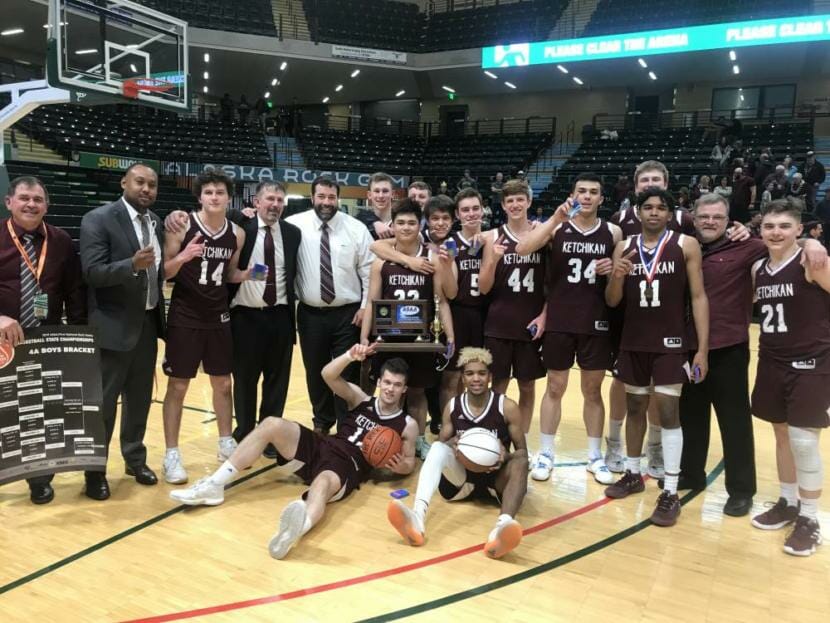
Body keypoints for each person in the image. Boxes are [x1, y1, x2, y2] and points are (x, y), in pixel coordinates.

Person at [171, 343, 418, 559]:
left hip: (349, 465)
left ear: (404, 389)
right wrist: (350, 356)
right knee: (271, 424)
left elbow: (409, 463)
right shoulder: (361, 399)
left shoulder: (407, 424)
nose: (390, 389)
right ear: (379, 382)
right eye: (387, 382)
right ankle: (215, 485)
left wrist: (399, 467)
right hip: (324, 445)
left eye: (397, 385)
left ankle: (297, 530)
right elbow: (327, 375)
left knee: (321, 484)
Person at [604, 187, 709, 527]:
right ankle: (633, 474)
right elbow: (612, 300)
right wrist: (616, 275)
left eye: (660, 208)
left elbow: (698, 297)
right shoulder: (624, 247)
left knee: (667, 412)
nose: (653, 213)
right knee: (634, 408)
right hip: (633, 341)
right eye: (647, 207)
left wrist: (701, 350)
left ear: (669, 213)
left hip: (670, 342)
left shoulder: (684, 245)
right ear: (637, 212)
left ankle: (671, 491)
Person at [516, 173, 622, 484]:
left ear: (602, 199)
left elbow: (617, 279)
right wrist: (553, 219)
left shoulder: (613, 232)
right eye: (581, 191)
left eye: (593, 192)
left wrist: (611, 270)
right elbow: (523, 248)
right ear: (573, 195)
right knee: (555, 387)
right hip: (560, 319)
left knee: (592, 390)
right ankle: (547, 452)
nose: (587, 196)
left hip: (596, 319)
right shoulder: (558, 226)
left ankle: (594, 456)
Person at [387, 347, 528, 559]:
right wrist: (453, 442)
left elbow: (522, 452)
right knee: (436, 447)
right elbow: (442, 446)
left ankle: (501, 528)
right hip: (461, 481)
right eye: (470, 373)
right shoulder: (453, 406)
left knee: (522, 463)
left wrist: (504, 456)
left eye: (481, 373)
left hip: (495, 482)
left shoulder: (506, 407)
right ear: (463, 378)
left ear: (490, 376)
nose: (476, 379)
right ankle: (417, 518)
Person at [159, 171, 252, 484]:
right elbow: (165, 273)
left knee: (223, 384)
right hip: (185, 314)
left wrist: (247, 275)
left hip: (218, 315)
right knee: (179, 386)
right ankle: (171, 453)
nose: (214, 197)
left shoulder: (236, 234)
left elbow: (228, 274)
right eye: (209, 192)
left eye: (220, 192)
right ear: (200, 197)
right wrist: (184, 256)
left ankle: (226, 443)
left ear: (228, 197)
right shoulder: (182, 225)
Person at [749, 198, 830, 556]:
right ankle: (788, 501)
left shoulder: (812, 262)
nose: (776, 232)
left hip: (812, 362)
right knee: (781, 434)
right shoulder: (758, 270)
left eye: (784, 226)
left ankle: (810, 518)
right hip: (771, 360)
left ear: (799, 229)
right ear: (760, 230)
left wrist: (816, 245)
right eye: (769, 226)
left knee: (803, 440)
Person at [80, 163, 166, 499]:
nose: (146, 189)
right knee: (104, 405)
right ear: (124, 182)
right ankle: (94, 471)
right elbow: (92, 272)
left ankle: (134, 458)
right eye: (140, 182)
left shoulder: (155, 221)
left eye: (152, 185)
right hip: (112, 327)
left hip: (146, 325)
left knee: (140, 400)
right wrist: (130, 265)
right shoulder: (98, 219)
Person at [0, 176, 86, 504]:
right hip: (1, 339)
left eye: (37, 199)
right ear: (9, 202)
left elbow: (74, 291)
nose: (31, 204)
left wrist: (78, 337)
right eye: (24, 198)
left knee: (39, 413)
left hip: (42, 340)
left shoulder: (61, 240)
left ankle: (40, 479)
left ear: (46, 206)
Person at [607, 160, 695, 479]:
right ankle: (615, 443)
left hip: (667, 314)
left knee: (662, 391)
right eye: (644, 181)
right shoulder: (619, 221)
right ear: (635, 188)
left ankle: (657, 447)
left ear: (667, 185)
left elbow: (713, 243)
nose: (649, 184)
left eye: (655, 179)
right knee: (623, 385)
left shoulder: (685, 222)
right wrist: (611, 271)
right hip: (628, 317)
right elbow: (608, 262)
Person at [361, 198, 455, 459]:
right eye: (400, 222)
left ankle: (420, 440)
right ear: (393, 225)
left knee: (417, 391)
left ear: (419, 225)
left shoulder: (431, 259)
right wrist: (363, 338)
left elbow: (442, 301)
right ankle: (386, 438)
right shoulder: (382, 262)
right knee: (390, 392)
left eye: (411, 223)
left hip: (421, 338)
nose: (406, 228)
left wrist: (451, 336)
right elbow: (371, 302)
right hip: (389, 337)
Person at [286, 177, 373, 434]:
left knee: (347, 372)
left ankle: (348, 427)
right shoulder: (293, 226)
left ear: (338, 198)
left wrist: (366, 307)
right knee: (315, 372)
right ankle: (322, 423)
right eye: (321, 196)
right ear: (312, 197)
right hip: (310, 313)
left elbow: (368, 272)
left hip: (349, 313)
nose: (326, 202)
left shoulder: (356, 229)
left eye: (331, 197)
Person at [479, 179, 546, 455]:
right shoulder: (492, 237)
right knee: (499, 385)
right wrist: (493, 260)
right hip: (499, 322)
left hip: (530, 324)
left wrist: (545, 315)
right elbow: (483, 287)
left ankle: (523, 441)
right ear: (504, 205)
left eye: (520, 199)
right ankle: (497, 436)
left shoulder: (543, 234)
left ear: (529, 202)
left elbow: (552, 282)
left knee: (528, 385)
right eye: (510, 201)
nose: (515, 205)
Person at [439, 188, 487, 413]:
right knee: (453, 378)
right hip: (460, 314)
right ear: (458, 215)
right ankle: (449, 423)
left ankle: (477, 419)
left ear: (483, 210)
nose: (471, 214)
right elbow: (450, 293)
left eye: (475, 208)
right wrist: (448, 264)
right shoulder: (451, 244)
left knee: (481, 375)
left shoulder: (492, 238)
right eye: (465, 210)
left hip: (487, 315)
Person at [356, 172, 396, 240]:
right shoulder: (359, 222)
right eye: (376, 191)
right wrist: (374, 222)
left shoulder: (403, 222)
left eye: (385, 191)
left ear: (393, 194)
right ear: (369, 195)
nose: (381, 196)